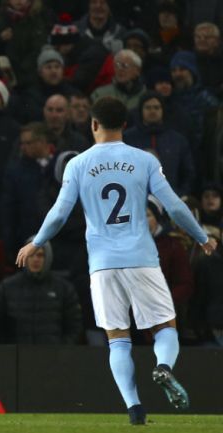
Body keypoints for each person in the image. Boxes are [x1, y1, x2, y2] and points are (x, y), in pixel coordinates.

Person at [16, 96, 217, 425]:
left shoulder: (77, 164)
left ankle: (135, 409)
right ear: (125, 125)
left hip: (102, 264)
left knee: (118, 339)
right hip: (141, 258)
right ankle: (163, 366)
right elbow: (175, 207)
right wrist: (201, 237)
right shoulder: (144, 160)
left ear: (93, 124)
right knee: (165, 329)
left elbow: (59, 214)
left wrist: (36, 242)